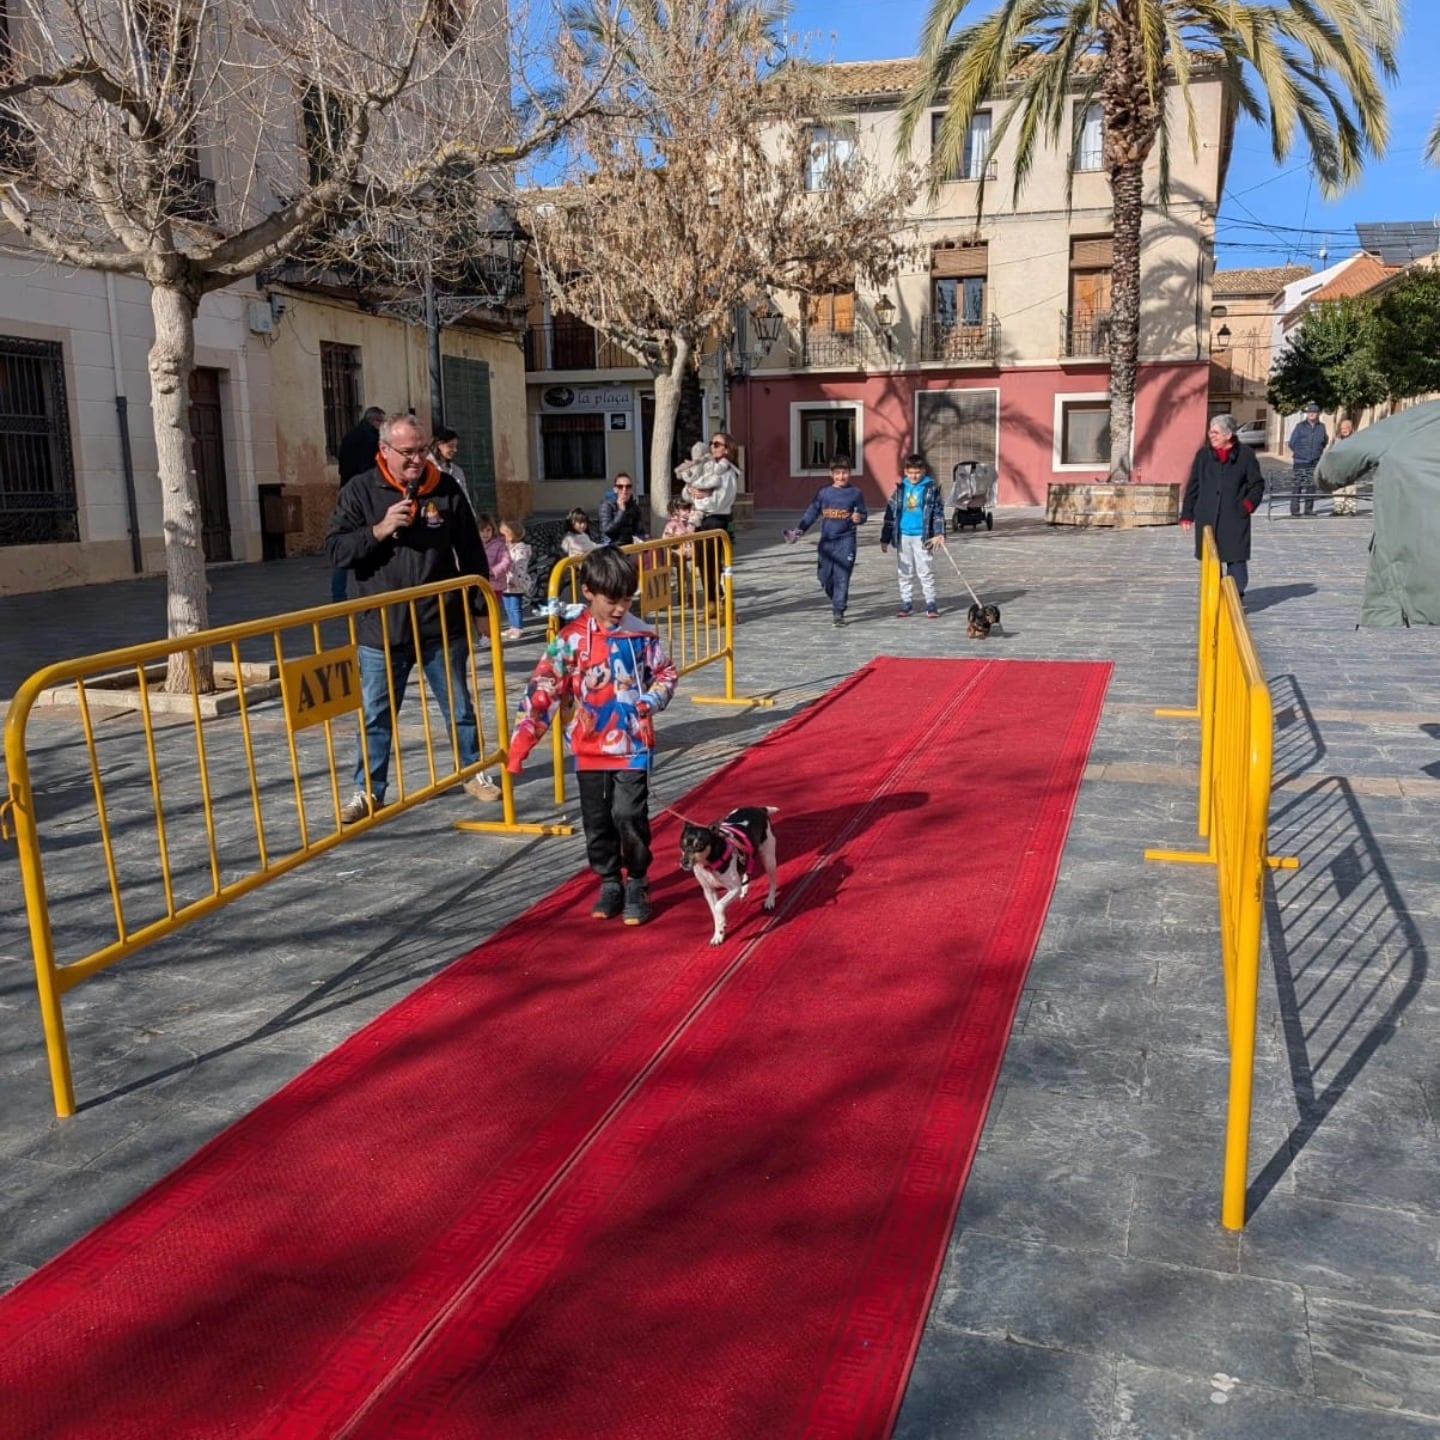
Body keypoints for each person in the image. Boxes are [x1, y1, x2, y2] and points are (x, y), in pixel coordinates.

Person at [324, 412, 501, 822]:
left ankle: (473, 771)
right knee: (376, 714)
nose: (417, 460)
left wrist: (479, 610)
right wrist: (379, 530)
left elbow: (472, 553)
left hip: (441, 623)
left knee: (459, 706)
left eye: (422, 451)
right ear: (384, 450)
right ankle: (368, 790)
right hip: (381, 627)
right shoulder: (359, 491)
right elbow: (335, 551)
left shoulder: (447, 488)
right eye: (408, 452)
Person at [507, 547, 678, 926]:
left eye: (627, 599)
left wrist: (651, 699)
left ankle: (637, 879)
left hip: (632, 745)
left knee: (629, 814)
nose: (620, 608)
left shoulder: (642, 634)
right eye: (611, 600)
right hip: (587, 748)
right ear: (588, 592)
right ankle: (609, 880)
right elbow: (543, 691)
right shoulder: (570, 641)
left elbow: (666, 673)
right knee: (597, 821)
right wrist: (521, 745)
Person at [1181, 414, 1265, 600]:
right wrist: (1187, 514)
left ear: (1228, 434)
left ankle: (1234, 599)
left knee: (1237, 565)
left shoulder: (1246, 455)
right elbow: (1193, 485)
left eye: (1216, 432)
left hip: (1234, 517)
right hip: (1207, 518)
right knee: (1211, 564)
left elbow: (1257, 484)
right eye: (1210, 431)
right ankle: (1214, 602)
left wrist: (1247, 505)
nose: (1211, 435)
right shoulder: (1203, 456)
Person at [782, 455, 868, 626]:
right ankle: (835, 597)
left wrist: (860, 518)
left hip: (846, 542)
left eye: (845, 473)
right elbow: (811, 514)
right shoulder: (824, 493)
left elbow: (863, 514)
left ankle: (839, 611)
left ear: (850, 473)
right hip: (827, 543)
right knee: (824, 577)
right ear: (831, 474)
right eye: (837, 473)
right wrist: (798, 532)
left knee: (842, 577)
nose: (841, 476)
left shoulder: (855, 493)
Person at [879, 451, 946, 618]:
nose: (914, 476)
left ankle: (930, 603)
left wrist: (939, 533)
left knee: (925, 570)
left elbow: (938, 513)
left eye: (918, 472)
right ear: (905, 472)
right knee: (905, 570)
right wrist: (885, 538)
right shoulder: (900, 490)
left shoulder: (930, 489)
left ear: (923, 472)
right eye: (911, 473)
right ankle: (906, 602)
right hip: (903, 536)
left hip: (923, 536)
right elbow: (890, 514)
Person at [331, 406, 385, 603]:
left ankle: (338, 594)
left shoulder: (349, 436)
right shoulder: (372, 438)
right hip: (367, 495)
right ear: (376, 421)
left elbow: (342, 465)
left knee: (345, 542)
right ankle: (375, 590)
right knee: (373, 539)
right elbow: (371, 467)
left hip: (346, 491)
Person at [685, 433, 741, 604]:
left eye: (717, 444)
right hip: (704, 521)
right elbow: (694, 487)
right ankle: (711, 601)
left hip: (717, 520)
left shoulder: (728, 472)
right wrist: (694, 492)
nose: (712, 447)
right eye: (712, 443)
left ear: (727, 449)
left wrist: (700, 498)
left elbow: (717, 502)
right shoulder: (710, 468)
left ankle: (720, 600)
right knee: (703, 563)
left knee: (715, 563)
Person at [1287, 402, 1328, 516]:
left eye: (1314, 412)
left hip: (1315, 461)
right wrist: (1301, 453)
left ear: (1318, 414)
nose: (1311, 414)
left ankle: (1308, 509)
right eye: (1310, 412)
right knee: (1298, 486)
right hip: (1301, 461)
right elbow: (1292, 443)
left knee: (1311, 486)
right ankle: (1295, 510)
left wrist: (1317, 452)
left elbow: (1324, 441)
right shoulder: (1300, 426)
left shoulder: (1322, 427)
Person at [498, 519, 532, 640]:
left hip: (515, 583)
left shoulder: (520, 549)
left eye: (503, 534)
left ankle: (518, 628)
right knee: (507, 607)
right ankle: (512, 626)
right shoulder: (505, 547)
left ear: (512, 535)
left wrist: (514, 579)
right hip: (505, 583)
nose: (500, 536)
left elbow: (520, 566)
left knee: (515, 607)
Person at [598, 474, 647, 547]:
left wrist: (640, 540)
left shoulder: (634, 507)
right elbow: (607, 530)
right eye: (620, 487)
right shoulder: (606, 506)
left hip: (629, 547)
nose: (624, 490)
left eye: (628, 487)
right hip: (611, 548)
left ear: (631, 490)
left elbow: (639, 531)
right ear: (615, 489)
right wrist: (621, 512)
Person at [430, 427, 471, 510]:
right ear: (439, 445)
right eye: (450, 446)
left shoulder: (457, 471)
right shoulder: (427, 468)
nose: (455, 450)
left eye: (456, 446)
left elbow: (465, 497)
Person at [1332, 417, 1359, 516]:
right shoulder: (1338, 440)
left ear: (1351, 428)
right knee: (1338, 489)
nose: (1344, 430)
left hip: (1351, 467)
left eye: (1346, 427)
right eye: (1342, 428)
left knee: (1350, 489)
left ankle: (1351, 509)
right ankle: (1338, 509)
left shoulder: (1356, 439)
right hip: (1339, 468)